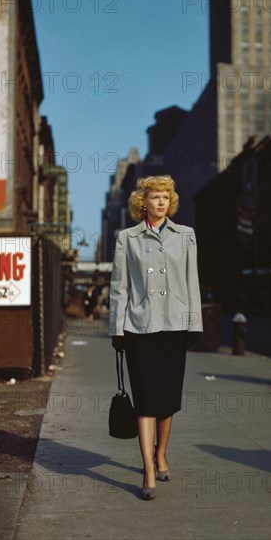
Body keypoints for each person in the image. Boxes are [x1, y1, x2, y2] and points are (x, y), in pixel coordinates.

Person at [108, 176, 203, 500]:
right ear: (142, 202)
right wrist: (116, 329)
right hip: (140, 326)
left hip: (175, 325)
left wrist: (195, 324)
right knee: (146, 399)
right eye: (155, 197)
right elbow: (119, 287)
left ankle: (161, 452)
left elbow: (192, 283)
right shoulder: (127, 238)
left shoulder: (185, 236)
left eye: (166, 196)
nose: (161, 202)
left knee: (167, 400)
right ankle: (148, 468)